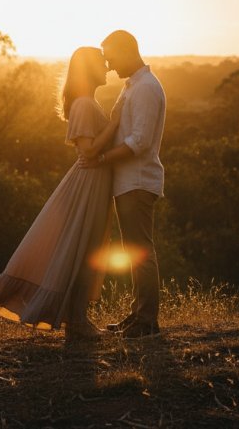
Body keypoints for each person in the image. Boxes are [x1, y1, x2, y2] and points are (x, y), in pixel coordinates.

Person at [0, 46, 121, 341]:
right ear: (88, 69)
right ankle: (77, 323)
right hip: (87, 185)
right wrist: (117, 122)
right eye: (102, 63)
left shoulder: (87, 102)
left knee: (86, 251)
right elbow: (89, 151)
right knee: (81, 251)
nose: (107, 68)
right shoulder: (83, 104)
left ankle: (78, 319)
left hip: (95, 184)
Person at [79, 30, 166, 339]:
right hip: (127, 181)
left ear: (128, 51)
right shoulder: (133, 86)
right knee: (134, 250)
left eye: (112, 57)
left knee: (141, 250)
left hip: (138, 180)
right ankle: (138, 315)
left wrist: (101, 160)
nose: (110, 65)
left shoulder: (145, 88)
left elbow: (139, 142)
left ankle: (147, 322)